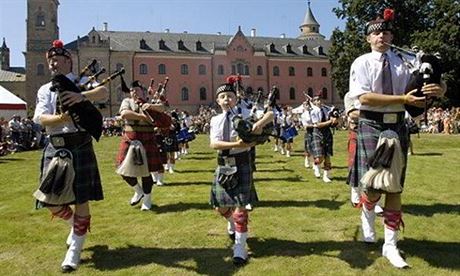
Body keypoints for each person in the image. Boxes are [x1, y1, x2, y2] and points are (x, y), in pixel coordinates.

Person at [348, 8, 445, 268]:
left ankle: (390, 245)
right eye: (376, 33)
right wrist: (402, 99)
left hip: (398, 126)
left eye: (386, 32)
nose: (382, 36)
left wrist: (440, 87)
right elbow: (365, 98)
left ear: (392, 35)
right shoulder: (361, 62)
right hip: (371, 124)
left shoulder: (407, 60)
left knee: (395, 186)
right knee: (372, 186)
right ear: (368, 38)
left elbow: (427, 79)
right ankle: (368, 212)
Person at [32, 40, 108, 272]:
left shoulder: (80, 82)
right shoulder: (45, 89)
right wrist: (62, 119)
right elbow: (40, 119)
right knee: (49, 200)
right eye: (50, 60)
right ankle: (76, 225)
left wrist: (83, 96)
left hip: (80, 145)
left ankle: (74, 250)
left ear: (68, 61)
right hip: (56, 147)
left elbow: (103, 91)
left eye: (57, 59)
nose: (53, 63)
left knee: (81, 199)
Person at [209, 79, 273, 266]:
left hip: (242, 163)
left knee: (240, 209)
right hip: (224, 163)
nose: (226, 99)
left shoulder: (246, 113)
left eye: (230, 96)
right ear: (218, 101)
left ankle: (239, 248)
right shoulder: (215, 120)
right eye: (222, 97)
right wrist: (237, 144)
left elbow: (270, 114)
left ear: (236, 99)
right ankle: (231, 222)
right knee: (220, 206)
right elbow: (214, 144)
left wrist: (259, 124)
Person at [116, 81, 171, 210]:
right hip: (130, 139)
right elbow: (124, 114)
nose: (134, 92)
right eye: (132, 90)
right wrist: (142, 116)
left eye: (137, 89)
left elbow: (164, 109)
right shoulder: (127, 101)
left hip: (147, 139)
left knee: (146, 173)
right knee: (122, 168)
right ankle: (138, 190)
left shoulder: (149, 103)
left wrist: (150, 106)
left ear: (143, 91)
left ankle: (147, 199)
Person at [309, 92, 337, 183]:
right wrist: (330, 121)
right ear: (314, 102)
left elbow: (334, 117)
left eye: (320, 99)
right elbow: (318, 124)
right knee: (320, 157)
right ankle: (316, 164)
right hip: (318, 133)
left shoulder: (327, 109)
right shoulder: (313, 111)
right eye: (317, 100)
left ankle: (326, 176)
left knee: (327, 156)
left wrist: (335, 118)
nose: (319, 101)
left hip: (327, 133)